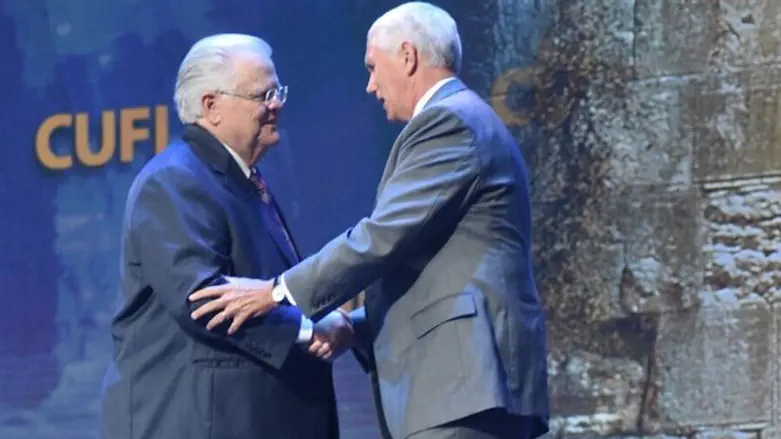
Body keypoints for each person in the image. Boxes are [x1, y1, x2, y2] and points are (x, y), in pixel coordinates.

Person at [190, 3, 550, 438]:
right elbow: (430, 268)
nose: (371, 85)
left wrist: (276, 293)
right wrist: (354, 327)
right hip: (460, 387)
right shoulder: (461, 120)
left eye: (374, 68)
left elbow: (382, 239)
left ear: (408, 56)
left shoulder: (448, 122)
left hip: (463, 387)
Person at [98, 33, 352, 439]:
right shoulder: (174, 181)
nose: (278, 104)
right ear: (211, 106)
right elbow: (204, 301)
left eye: (279, 91)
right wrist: (308, 329)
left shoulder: (239, 181)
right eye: (264, 94)